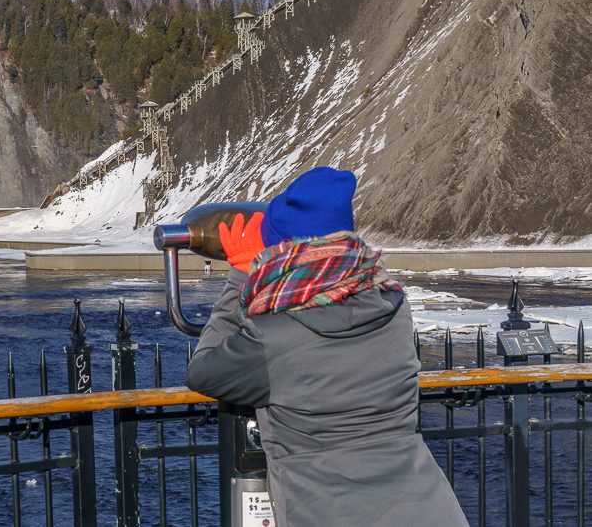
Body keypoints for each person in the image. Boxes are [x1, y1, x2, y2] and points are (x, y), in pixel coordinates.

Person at [185, 166, 468, 526]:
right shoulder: (394, 307)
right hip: (426, 507)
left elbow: (204, 371)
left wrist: (242, 276)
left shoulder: (272, 339)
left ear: (282, 255)